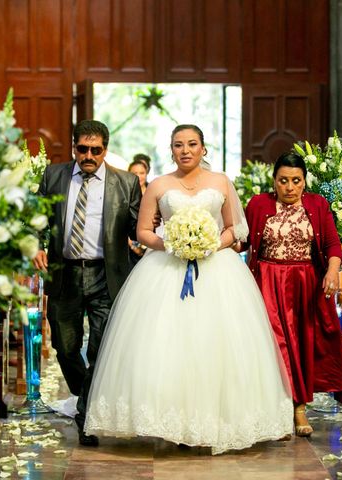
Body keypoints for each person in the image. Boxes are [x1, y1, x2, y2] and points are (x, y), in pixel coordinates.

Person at [84, 124, 293, 454]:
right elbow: (143, 231)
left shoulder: (220, 181)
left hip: (217, 273)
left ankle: (216, 421)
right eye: (178, 145)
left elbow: (234, 229)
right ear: (171, 150)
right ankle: (169, 422)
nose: (185, 150)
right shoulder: (159, 184)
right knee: (166, 345)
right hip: (166, 269)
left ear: (203, 148)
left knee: (216, 345)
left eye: (192, 144)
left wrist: (210, 243)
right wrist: (171, 243)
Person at [33, 119, 142, 446]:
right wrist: (35, 245)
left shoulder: (125, 183)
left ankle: (86, 415)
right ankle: (88, 398)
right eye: (83, 149)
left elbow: (140, 229)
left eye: (96, 150)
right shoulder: (54, 176)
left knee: (101, 347)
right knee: (65, 347)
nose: (89, 155)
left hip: (106, 275)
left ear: (105, 150)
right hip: (65, 272)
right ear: (74, 147)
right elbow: (35, 218)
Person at [243, 151, 342, 437]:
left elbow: (333, 246)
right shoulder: (258, 204)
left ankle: (299, 409)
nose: (289, 187)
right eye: (283, 181)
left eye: (296, 181)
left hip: (305, 284)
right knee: (273, 345)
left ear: (305, 182)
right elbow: (241, 240)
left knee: (301, 346)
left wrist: (332, 271)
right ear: (273, 181)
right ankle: (275, 413)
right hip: (266, 281)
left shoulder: (317, 204)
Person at [128, 156, 151, 259]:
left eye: (142, 173)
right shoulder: (124, 194)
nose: (138, 176)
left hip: (151, 243)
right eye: (134, 173)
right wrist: (133, 246)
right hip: (129, 247)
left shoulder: (153, 191)